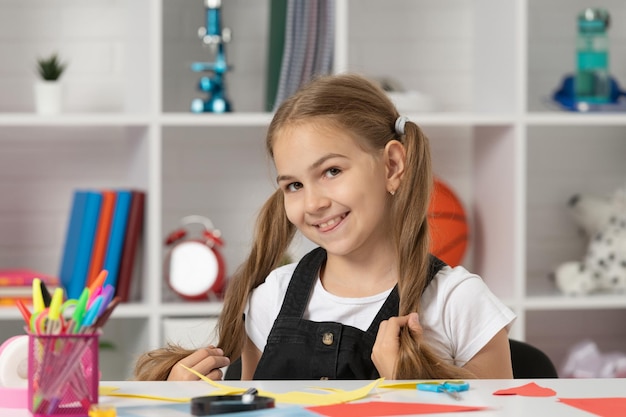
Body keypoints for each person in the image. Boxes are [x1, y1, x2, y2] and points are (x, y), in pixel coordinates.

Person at [133, 73, 516, 381]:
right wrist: (180, 403)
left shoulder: (459, 303)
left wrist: (414, 385)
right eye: (294, 185)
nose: (313, 203)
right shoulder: (271, 299)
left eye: (332, 171)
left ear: (393, 166)